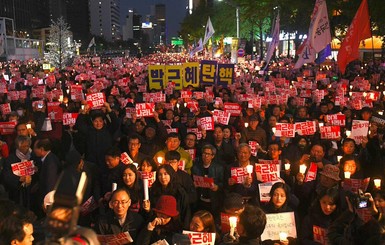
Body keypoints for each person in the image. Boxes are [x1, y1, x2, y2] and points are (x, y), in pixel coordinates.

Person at [144, 164, 190, 229]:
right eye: (160, 175)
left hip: (175, 226)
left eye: (166, 174)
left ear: (171, 174)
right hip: (157, 225)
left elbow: (185, 212)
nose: (163, 177)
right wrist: (148, 210)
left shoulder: (179, 191)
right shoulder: (154, 190)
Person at [191, 144, 224, 217]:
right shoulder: (196, 167)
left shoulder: (218, 168)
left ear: (213, 156)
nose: (206, 156)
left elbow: (223, 183)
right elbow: (191, 182)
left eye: (208, 154)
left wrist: (217, 187)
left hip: (213, 200)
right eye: (204, 153)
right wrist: (193, 185)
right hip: (200, 200)